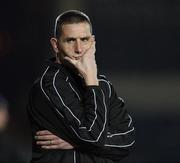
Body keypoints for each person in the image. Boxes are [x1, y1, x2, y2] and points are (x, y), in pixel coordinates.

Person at [27, 10, 135, 163]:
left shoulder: (102, 84)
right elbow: (93, 137)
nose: (79, 49)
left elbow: (127, 140)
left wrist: (75, 142)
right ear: (55, 45)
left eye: (84, 39)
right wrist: (91, 80)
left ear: (93, 42)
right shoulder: (50, 85)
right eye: (70, 40)